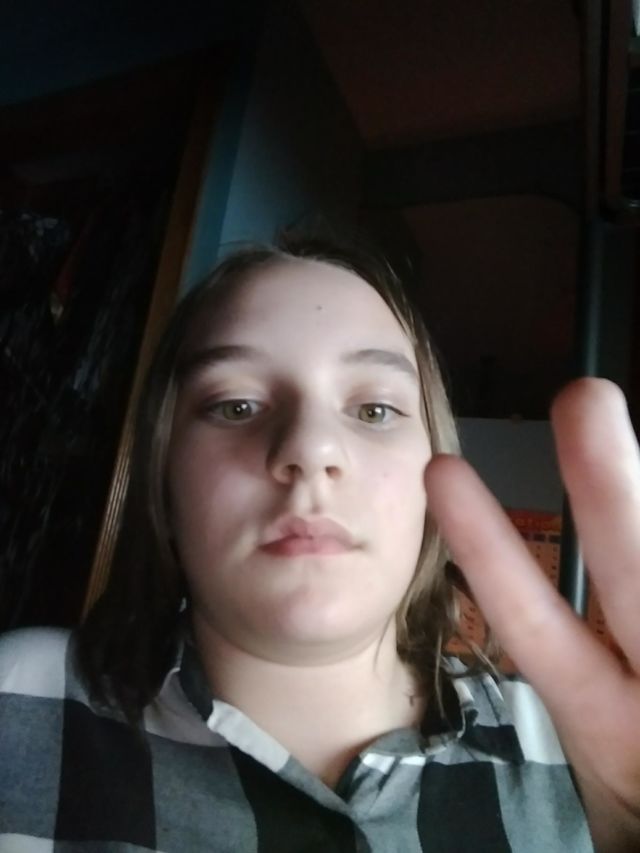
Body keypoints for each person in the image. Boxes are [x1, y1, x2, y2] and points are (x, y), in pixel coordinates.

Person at [0, 236, 638, 852]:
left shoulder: (591, 763)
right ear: (164, 476)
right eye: (236, 405)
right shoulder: (16, 700)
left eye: (374, 410)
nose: (310, 448)